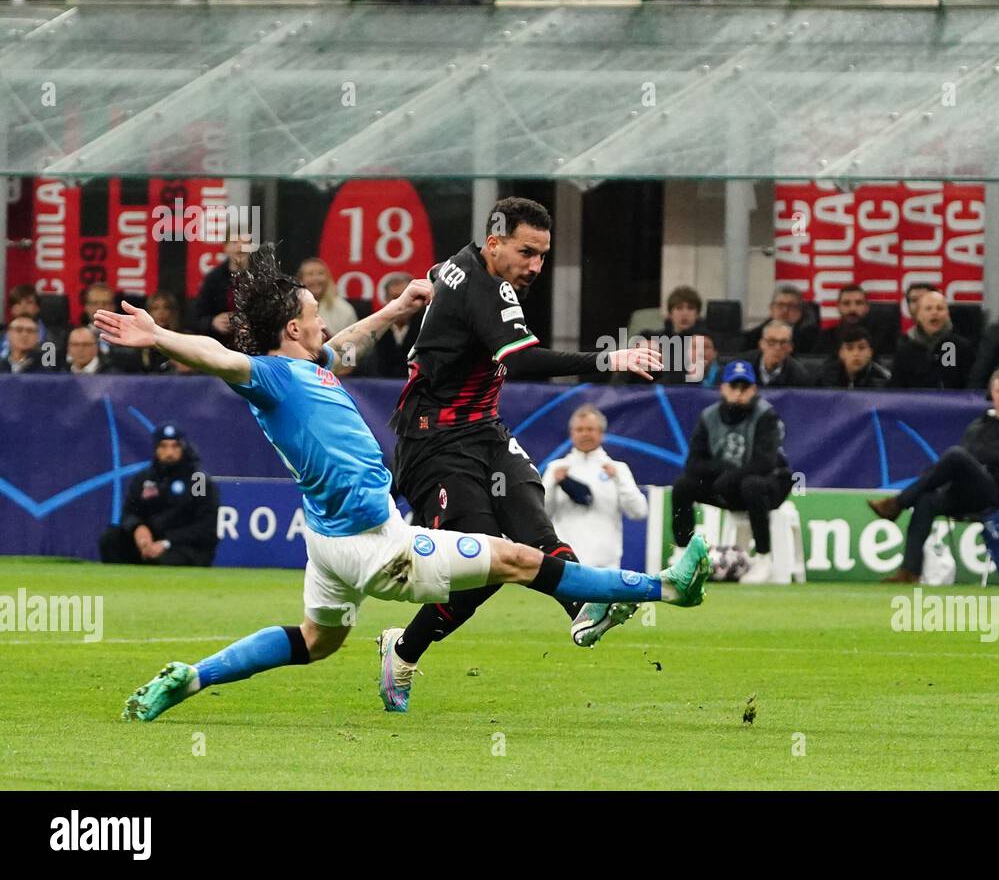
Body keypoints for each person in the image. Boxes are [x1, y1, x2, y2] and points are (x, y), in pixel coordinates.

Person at [97, 246, 708, 722]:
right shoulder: (270, 378)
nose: (322, 321)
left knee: (317, 641)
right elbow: (218, 356)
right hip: (374, 546)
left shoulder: (305, 365)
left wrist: (399, 308)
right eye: (313, 314)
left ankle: (191, 676)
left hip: (331, 543)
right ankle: (667, 587)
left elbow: (347, 342)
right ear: (291, 328)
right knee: (519, 559)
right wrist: (160, 337)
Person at [381, 197, 664, 711]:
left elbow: (441, 271)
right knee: (482, 561)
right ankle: (402, 651)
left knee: (534, 530)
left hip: (486, 432)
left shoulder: (463, 267)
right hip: (434, 442)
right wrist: (608, 357)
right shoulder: (485, 290)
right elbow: (526, 362)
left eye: (542, 255)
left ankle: (584, 605)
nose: (535, 266)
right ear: (494, 243)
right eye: (526, 252)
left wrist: (431, 284)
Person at [869, 365, 999, 584]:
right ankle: (909, 572)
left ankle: (897, 503)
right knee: (926, 500)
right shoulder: (978, 425)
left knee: (955, 455)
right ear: (991, 394)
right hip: (967, 493)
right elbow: (959, 467)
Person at [671, 360, 794, 584]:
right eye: (733, 386)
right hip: (725, 486)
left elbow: (764, 462)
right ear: (723, 388)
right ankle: (683, 554)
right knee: (683, 486)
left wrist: (731, 476)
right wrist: (723, 472)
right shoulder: (709, 416)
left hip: (770, 485)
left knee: (752, 485)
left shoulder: (766, 415)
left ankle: (764, 559)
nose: (738, 393)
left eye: (744, 387)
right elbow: (694, 463)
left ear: (753, 390)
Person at [542, 404, 649, 572]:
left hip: (605, 564)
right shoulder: (556, 468)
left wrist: (620, 480)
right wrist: (552, 483)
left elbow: (639, 511)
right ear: (572, 433)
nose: (585, 433)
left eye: (590, 429)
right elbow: (542, 514)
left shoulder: (617, 468)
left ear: (601, 433)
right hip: (567, 561)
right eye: (580, 429)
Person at [98, 423, 219, 566]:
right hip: (151, 541)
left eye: (175, 446)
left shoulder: (197, 480)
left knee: (161, 560)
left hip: (184, 546)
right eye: (163, 446)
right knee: (111, 539)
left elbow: (204, 525)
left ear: (184, 448)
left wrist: (166, 542)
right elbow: (129, 513)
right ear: (156, 448)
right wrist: (138, 528)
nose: (169, 452)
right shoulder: (145, 478)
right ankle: (119, 584)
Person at [890, 289, 974, 389]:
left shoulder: (962, 347)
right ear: (918, 316)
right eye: (928, 309)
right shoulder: (905, 350)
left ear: (947, 314)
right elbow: (895, 389)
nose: (934, 312)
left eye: (940, 308)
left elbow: (971, 386)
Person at [193, 235, 254, 344]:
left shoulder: (261, 277)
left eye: (245, 243)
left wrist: (252, 323)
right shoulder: (213, 279)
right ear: (225, 247)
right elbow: (196, 317)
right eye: (235, 242)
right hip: (220, 344)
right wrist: (213, 322)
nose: (240, 247)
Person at [369, 273, 421, 379]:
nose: (401, 304)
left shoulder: (425, 326)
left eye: (405, 297)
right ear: (386, 300)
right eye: (395, 298)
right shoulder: (375, 328)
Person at [744, 284, 819, 354]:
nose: (785, 310)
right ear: (771, 309)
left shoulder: (814, 340)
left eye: (791, 306)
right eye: (780, 305)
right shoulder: (753, 338)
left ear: (800, 311)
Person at [297, 257, 358, 339]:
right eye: (310, 274)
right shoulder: (292, 308)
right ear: (301, 279)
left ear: (328, 278)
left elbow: (353, 341)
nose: (316, 278)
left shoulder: (344, 309)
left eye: (320, 273)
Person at [742, 320, 815, 387]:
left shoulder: (799, 376)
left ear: (790, 347)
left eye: (783, 342)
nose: (777, 347)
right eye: (771, 341)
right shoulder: (740, 367)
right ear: (762, 344)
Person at [818, 325, 891, 388]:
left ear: (870, 353)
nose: (856, 353)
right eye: (849, 348)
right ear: (841, 353)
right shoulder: (826, 376)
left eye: (861, 348)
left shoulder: (882, 378)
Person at [813, 284, 870, 355]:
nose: (852, 309)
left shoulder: (879, 338)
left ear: (867, 307)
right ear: (838, 307)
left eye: (858, 303)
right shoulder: (826, 338)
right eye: (846, 303)